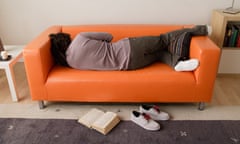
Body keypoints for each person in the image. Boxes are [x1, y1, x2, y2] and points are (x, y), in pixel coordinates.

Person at [49, 25, 209, 71]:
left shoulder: (71, 63)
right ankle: (202, 30)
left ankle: (177, 63)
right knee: (164, 39)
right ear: (65, 39)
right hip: (129, 47)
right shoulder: (80, 37)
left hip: (129, 65)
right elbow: (109, 36)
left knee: (160, 54)